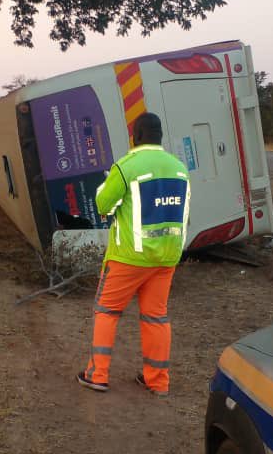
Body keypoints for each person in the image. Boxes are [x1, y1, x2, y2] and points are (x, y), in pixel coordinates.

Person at [77, 112, 191, 398]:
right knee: (156, 317)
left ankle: (97, 375)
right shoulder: (179, 168)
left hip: (128, 257)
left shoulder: (126, 167)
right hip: (166, 258)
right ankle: (158, 381)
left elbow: (103, 203)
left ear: (135, 136)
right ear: (160, 136)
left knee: (107, 312)